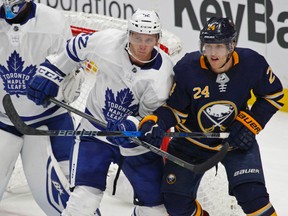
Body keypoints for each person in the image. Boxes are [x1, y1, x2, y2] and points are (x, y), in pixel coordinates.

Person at [26, 9, 174, 216]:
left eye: (148, 39)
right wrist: (54, 72)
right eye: (137, 37)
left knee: (156, 211)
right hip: (94, 133)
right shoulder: (108, 41)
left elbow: (150, 116)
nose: (142, 45)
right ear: (128, 34)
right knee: (83, 201)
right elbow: (75, 47)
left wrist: (132, 126)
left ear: (157, 39)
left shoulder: (162, 74)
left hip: (135, 146)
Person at [135, 17, 284, 215]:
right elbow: (175, 110)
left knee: (253, 197)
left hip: (234, 142)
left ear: (231, 45)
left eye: (219, 46)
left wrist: (249, 125)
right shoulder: (188, 68)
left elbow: (273, 95)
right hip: (189, 145)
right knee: (177, 205)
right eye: (208, 45)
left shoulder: (251, 63)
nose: (212, 53)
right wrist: (156, 122)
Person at [0, 0, 81, 215]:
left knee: (73, 195)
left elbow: (73, 73)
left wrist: (57, 83)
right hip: (4, 120)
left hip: (50, 118)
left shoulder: (53, 22)